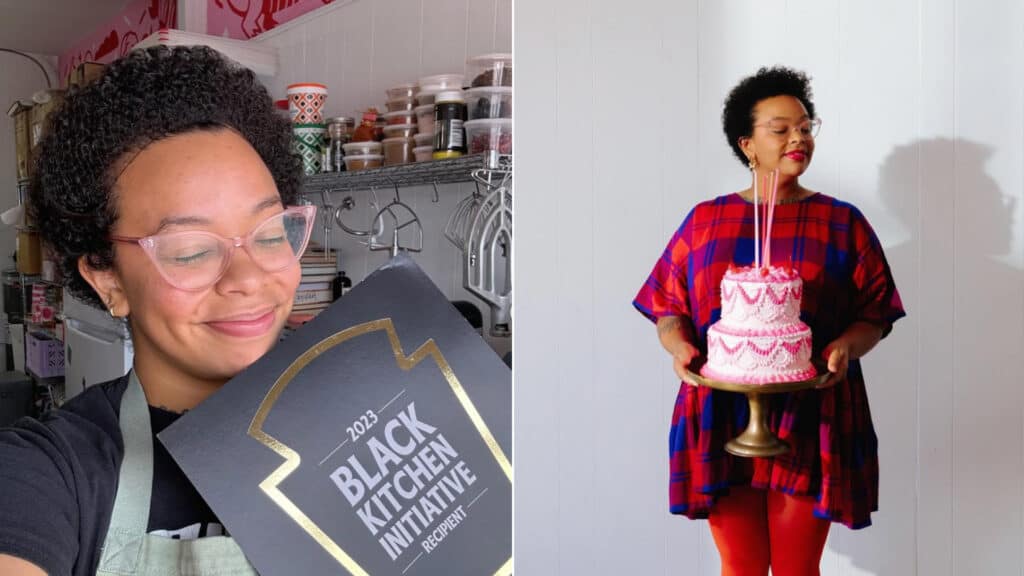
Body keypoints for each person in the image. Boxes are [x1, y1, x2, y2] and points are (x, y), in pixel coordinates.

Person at [0, 45, 316, 575]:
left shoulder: (375, 412)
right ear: (108, 279)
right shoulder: (52, 472)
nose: (248, 279)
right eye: (190, 250)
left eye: (269, 233)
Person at [633, 66, 906, 576]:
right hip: (719, 409)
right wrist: (679, 348)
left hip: (812, 408)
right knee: (740, 566)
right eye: (781, 129)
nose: (798, 137)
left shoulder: (842, 221)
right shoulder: (705, 221)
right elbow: (668, 308)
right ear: (747, 143)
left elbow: (876, 311)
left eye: (805, 126)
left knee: (798, 567)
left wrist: (847, 346)